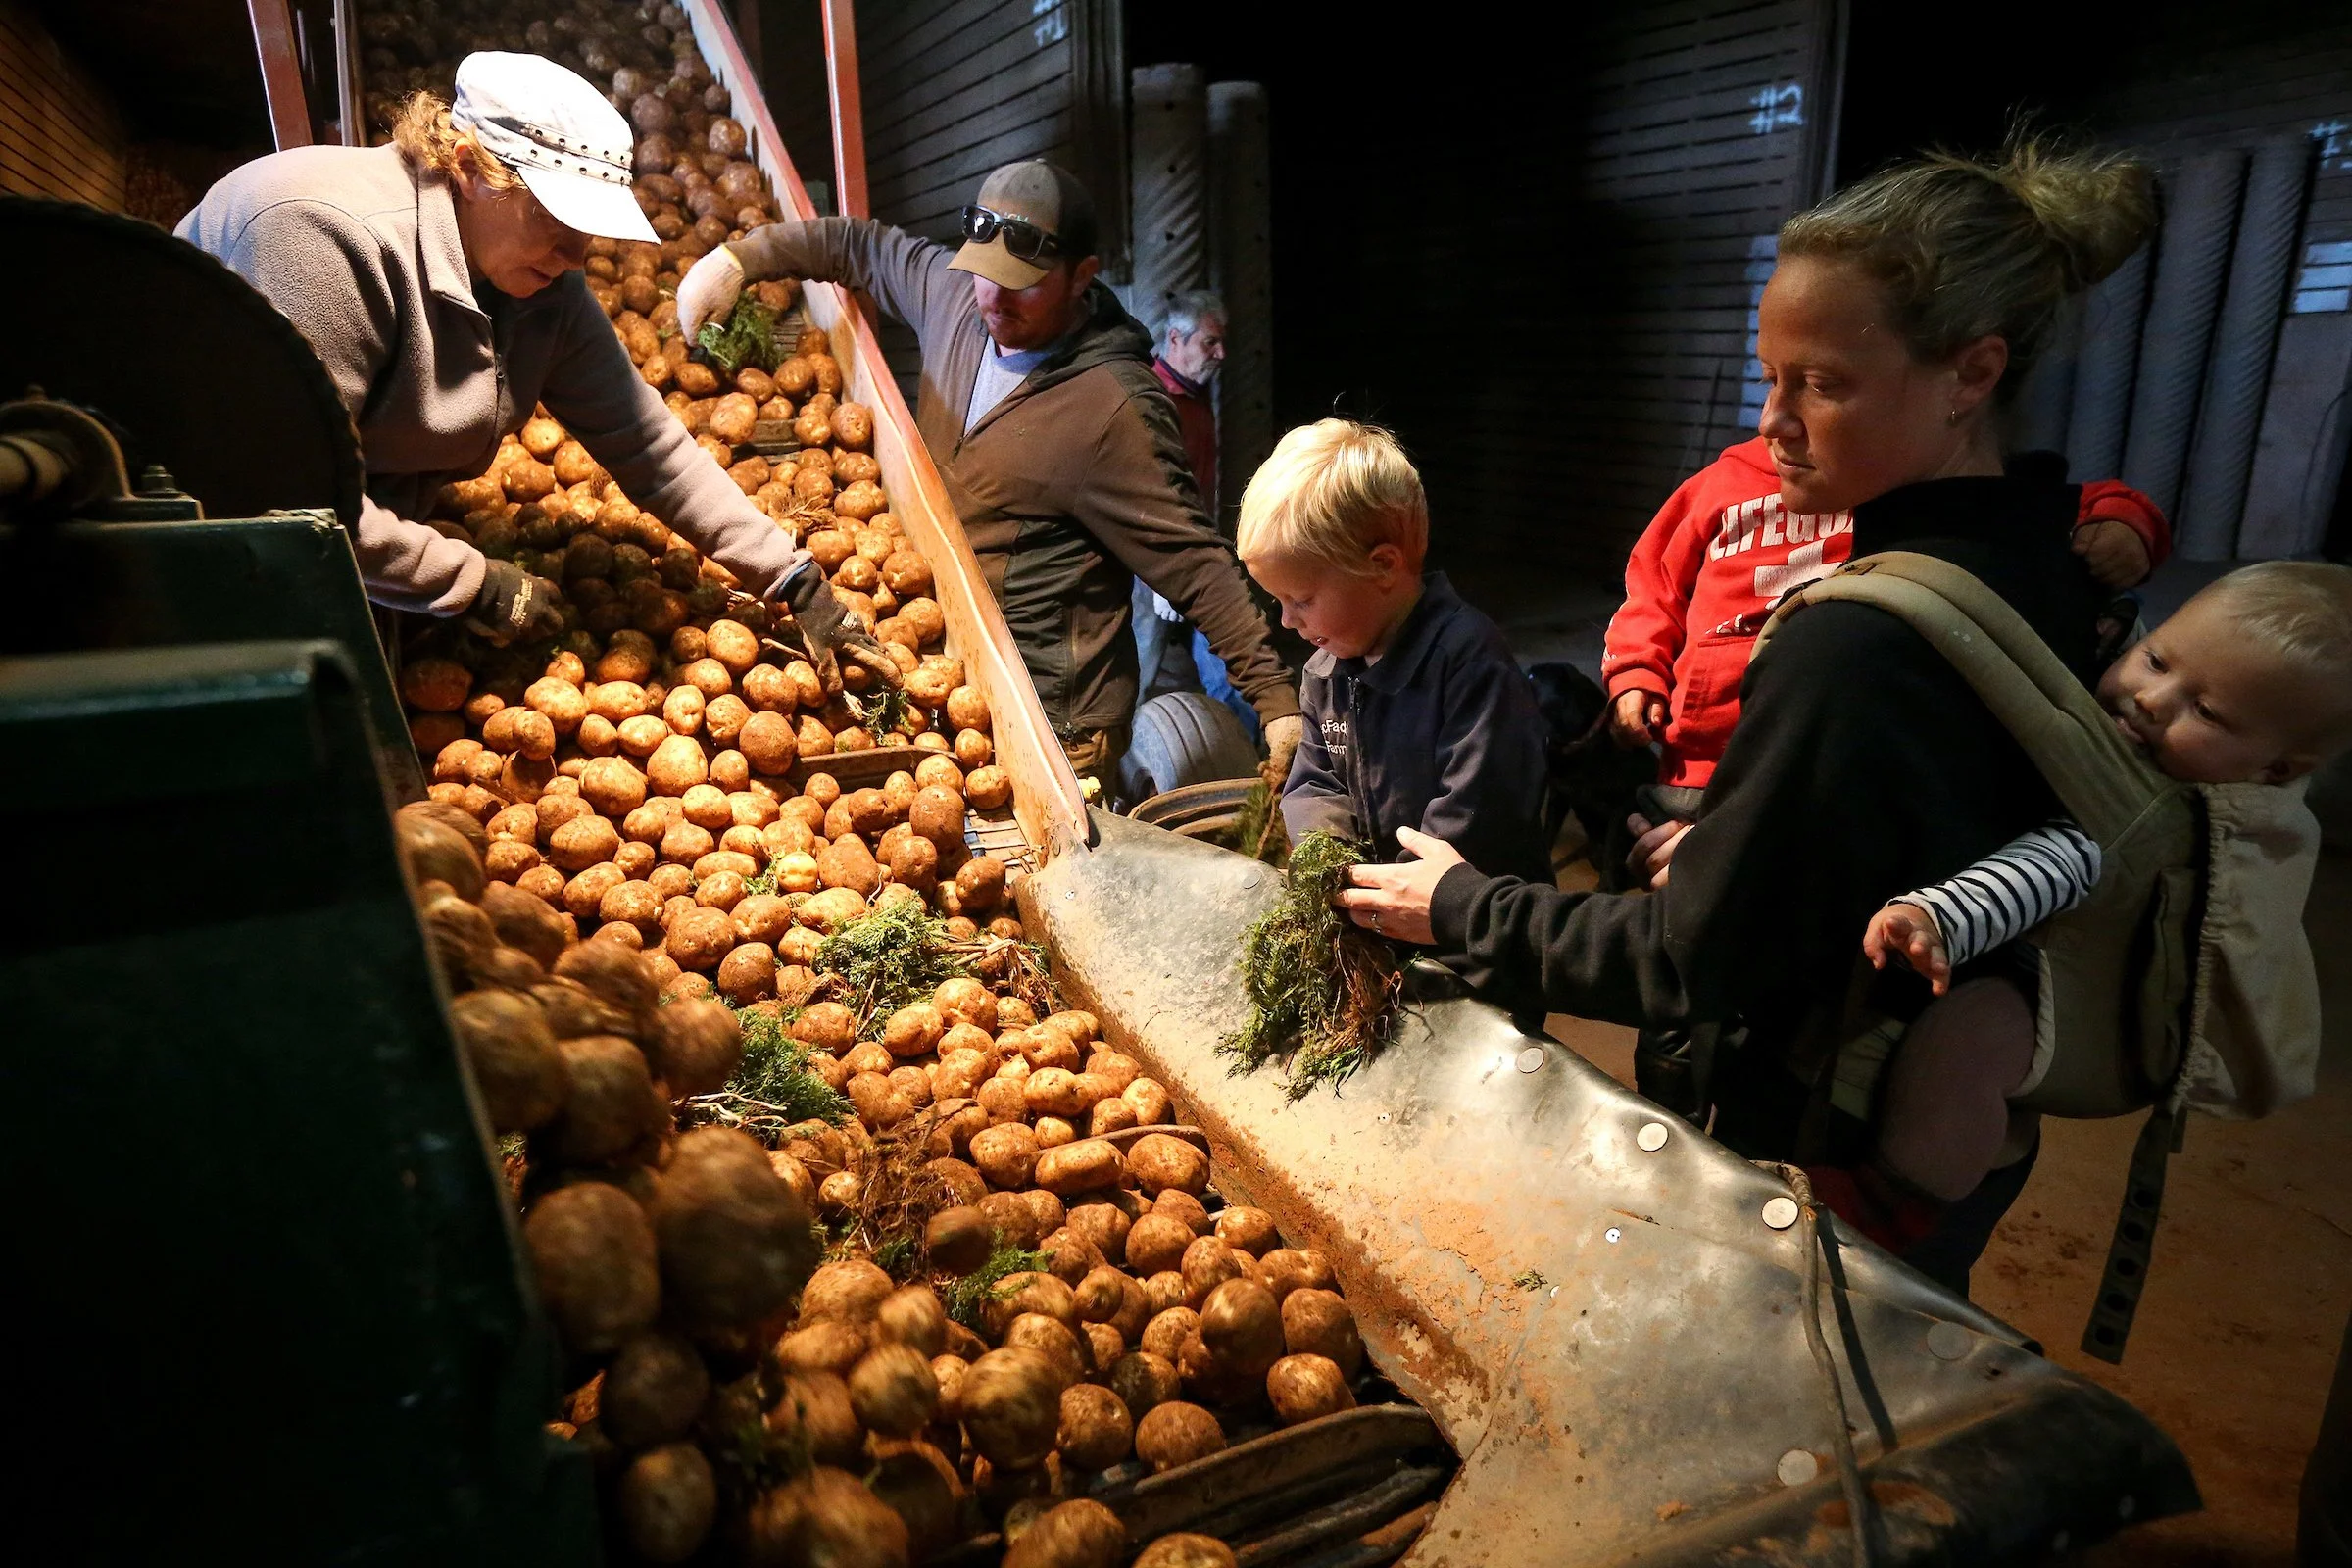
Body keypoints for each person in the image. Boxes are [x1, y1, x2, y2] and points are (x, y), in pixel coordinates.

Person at [1331, 139, 2160, 1293]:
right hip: (1974, 1115)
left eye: (1824, 383)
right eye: (1770, 376)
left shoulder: (1856, 637)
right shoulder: (2060, 565)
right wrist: (1753, 833)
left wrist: (1460, 905)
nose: (1775, 421)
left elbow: (1691, 964)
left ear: (1971, 372)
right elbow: (1923, 821)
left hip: (1835, 1139)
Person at [175, 52, 884, 682]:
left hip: (344, 533)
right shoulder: (322, 239)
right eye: (558, 226)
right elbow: (293, 505)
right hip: (203, 547)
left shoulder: (544, 287)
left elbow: (648, 445)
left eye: (590, 233)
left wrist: (792, 578)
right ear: (468, 168)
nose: (579, 260)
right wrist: (470, 580)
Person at [672, 161, 1302, 795]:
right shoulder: (955, 303)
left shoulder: (1113, 410)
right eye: (984, 274)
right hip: (947, 670)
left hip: (1053, 721)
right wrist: (739, 260)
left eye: (1022, 284)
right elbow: (857, 246)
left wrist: (1276, 705)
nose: (993, 298)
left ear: (1082, 277)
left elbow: (1196, 563)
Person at [1840, 561, 2352, 1248]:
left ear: (2276, 771)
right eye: (2157, 659)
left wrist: (1938, 915)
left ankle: (1890, 1207)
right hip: (2071, 961)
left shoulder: (2154, 809)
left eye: (2204, 711)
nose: (2151, 699)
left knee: (1964, 1042)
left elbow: (2051, 864)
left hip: (2092, 1008)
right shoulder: (2160, 726)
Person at [1240, 419, 1552, 890]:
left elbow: (1479, 816)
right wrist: (1330, 866)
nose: (1286, 621)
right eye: (1277, 601)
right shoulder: (1324, 676)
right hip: (1382, 910)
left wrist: (1384, 893)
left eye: (1301, 600)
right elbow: (1314, 784)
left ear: (1382, 567)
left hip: (1473, 924)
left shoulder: (1469, 663)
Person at [1133, 290, 1257, 737]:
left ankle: (1257, 769)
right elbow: (1142, 493)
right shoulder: (1150, 397)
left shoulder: (1197, 394)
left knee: (1228, 654)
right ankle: (1123, 771)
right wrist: (1161, 575)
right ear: (1175, 339)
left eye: (1222, 343)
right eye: (1210, 343)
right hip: (1152, 560)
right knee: (1140, 662)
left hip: (1198, 551)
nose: (1222, 354)